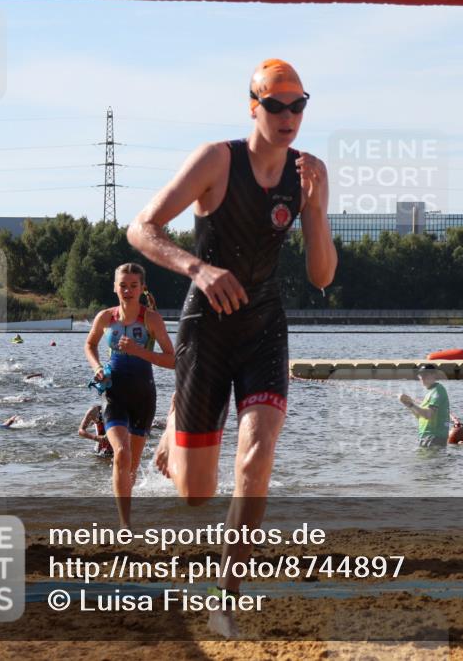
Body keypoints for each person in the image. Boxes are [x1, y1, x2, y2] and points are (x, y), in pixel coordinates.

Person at [127, 59, 336, 638]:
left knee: (255, 456)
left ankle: (226, 596)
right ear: (253, 107)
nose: (288, 116)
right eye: (276, 105)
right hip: (207, 328)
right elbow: (141, 229)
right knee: (197, 495)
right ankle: (176, 419)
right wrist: (198, 268)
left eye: (298, 105)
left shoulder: (307, 173)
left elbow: (321, 276)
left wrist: (317, 208)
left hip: (264, 328)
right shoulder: (216, 160)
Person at [84, 263, 175, 528]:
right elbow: (90, 344)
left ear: (142, 288)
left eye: (133, 286)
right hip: (115, 394)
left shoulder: (151, 320)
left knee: (131, 466)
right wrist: (97, 367)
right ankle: (124, 524)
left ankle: (127, 511)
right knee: (121, 454)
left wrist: (139, 351)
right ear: (115, 287)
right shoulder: (106, 317)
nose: (127, 290)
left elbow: (173, 360)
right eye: (123, 285)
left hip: (143, 396)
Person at [399, 364, 451, 449]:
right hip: (425, 437)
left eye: (425, 374)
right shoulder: (430, 392)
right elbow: (419, 416)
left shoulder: (438, 390)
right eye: (420, 375)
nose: (422, 377)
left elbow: (428, 415)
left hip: (435, 437)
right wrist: (408, 404)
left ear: (434, 375)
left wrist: (412, 404)